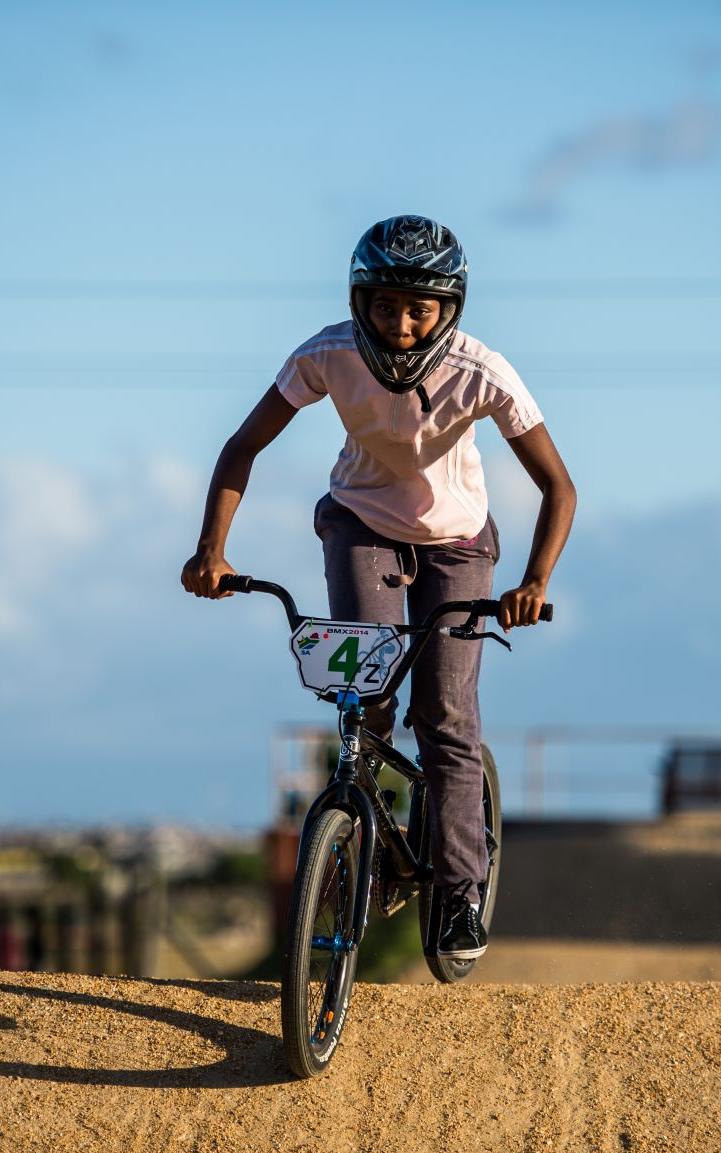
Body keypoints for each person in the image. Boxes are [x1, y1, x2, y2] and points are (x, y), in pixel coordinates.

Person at [181, 215, 576, 960]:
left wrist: (533, 579)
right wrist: (211, 550)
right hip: (361, 525)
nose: (400, 324)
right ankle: (365, 856)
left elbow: (557, 485)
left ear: (448, 309)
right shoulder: (327, 354)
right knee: (366, 700)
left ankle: (459, 892)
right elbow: (242, 446)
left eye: (418, 308)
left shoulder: (480, 370)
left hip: (459, 543)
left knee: (444, 715)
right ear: (359, 301)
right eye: (385, 305)